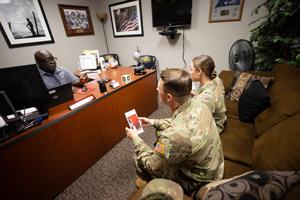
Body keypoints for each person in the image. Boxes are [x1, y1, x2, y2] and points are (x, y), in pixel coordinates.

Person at [125, 68, 224, 195]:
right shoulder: (198, 103)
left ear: (168, 97)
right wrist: (153, 122)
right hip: (214, 168)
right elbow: (179, 120)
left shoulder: (173, 136)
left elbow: (152, 166)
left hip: (198, 183)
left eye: (158, 88)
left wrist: (135, 139)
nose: (156, 89)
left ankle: (153, 183)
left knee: (142, 160)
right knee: (162, 148)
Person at [189, 55, 227, 133]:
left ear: (199, 71)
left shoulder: (206, 99)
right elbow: (202, 93)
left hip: (214, 127)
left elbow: (197, 122)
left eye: (191, 69)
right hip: (220, 118)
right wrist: (191, 92)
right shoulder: (214, 79)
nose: (189, 72)